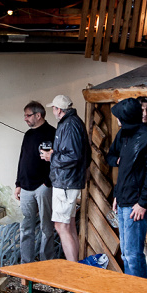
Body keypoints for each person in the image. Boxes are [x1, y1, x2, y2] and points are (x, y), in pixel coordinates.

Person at [40, 95, 91, 262]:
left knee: (61, 226)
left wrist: (52, 158)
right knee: (68, 226)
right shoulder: (74, 122)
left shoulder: (69, 125)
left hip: (66, 182)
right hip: (69, 181)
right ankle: (76, 268)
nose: (52, 111)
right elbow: (84, 154)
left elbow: (74, 156)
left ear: (59, 110)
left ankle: (72, 270)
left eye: (53, 108)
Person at [106, 98, 147, 277]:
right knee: (126, 253)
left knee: (133, 255)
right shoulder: (123, 134)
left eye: (119, 116)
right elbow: (123, 170)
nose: (116, 119)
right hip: (124, 198)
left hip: (136, 204)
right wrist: (117, 195)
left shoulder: (146, 137)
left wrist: (143, 203)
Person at [15, 101, 57, 264]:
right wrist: (18, 183)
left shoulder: (53, 133)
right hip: (25, 187)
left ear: (38, 115)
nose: (25, 118)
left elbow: (58, 160)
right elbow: (22, 159)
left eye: (28, 115)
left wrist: (47, 182)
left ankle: (47, 264)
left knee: (46, 228)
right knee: (25, 227)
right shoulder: (28, 135)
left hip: (43, 187)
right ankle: (27, 264)